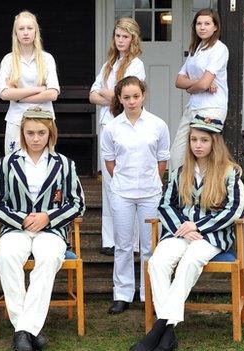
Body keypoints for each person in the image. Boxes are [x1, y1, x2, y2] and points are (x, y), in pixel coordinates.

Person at [132, 116, 244, 351]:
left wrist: (199, 227)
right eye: (194, 139)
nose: (198, 145)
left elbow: (234, 209)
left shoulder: (229, 172)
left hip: (211, 236)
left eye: (204, 140)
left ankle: (160, 328)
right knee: (157, 262)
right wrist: (183, 225)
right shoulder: (181, 171)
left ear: (215, 143)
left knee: (190, 261)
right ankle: (167, 334)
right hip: (179, 232)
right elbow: (165, 205)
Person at [0, 107, 85, 351]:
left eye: (41, 133)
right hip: (15, 229)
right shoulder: (6, 163)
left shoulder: (64, 164)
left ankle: (23, 331)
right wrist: (21, 220)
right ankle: (30, 331)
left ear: (50, 133)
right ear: (22, 133)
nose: (35, 138)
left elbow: (78, 204)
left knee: (49, 257)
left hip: (51, 231)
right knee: (7, 257)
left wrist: (48, 217)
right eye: (30, 133)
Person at [101, 76, 169, 314]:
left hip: (150, 192)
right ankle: (122, 294)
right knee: (123, 244)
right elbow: (110, 162)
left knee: (150, 245)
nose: (131, 101)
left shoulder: (158, 125)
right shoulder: (111, 128)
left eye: (136, 96)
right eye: (126, 97)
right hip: (121, 193)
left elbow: (162, 160)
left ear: (143, 96)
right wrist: (124, 179)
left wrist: (152, 181)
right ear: (119, 98)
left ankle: (148, 293)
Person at [89, 17, 145, 256]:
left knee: (125, 181)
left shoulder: (136, 64)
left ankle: (130, 241)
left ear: (133, 38)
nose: (120, 40)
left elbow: (128, 96)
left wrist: (112, 95)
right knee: (109, 183)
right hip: (107, 123)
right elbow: (93, 94)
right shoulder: (109, 63)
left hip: (126, 125)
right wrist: (110, 95)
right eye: (117, 36)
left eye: (125, 36)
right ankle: (110, 240)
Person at [171, 8, 229, 171]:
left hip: (211, 108)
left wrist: (192, 87)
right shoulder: (195, 49)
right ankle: (180, 193)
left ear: (215, 27)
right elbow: (178, 81)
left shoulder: (219, 49)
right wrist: (197, 83)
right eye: (199, 23)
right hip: (193, 107)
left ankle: (207, 194)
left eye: (207, 23)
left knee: (204, 157)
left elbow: (204, 85)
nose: (202, 27)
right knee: (177, 154)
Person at [0, 10, 60, 154]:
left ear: (35, 32)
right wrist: (38, 89)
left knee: (44, 165)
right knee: (15, 165)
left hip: (43, 120)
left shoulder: (47, 59)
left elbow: (52, 94)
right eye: (21, 29)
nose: (25, 33)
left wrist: (18, 97)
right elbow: (4, 93)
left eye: (29, 28)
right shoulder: (8, 60)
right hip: (16, 120)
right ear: (16, 33)